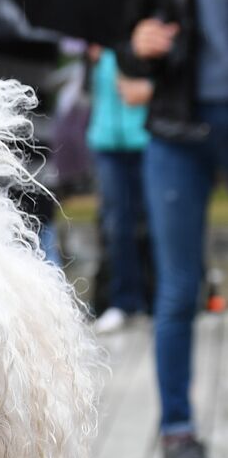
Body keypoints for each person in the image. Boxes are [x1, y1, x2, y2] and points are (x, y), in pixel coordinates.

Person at [118, 0, 225, 458]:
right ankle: (179, 434)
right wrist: (136, 44)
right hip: (178, 133)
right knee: (179, 289)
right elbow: (125, 59)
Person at [87, 47, 152, 334]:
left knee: (155, 223)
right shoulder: (97, 43)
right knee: (116, 226)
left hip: (148, 138)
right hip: (107, 143)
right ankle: (123, 301)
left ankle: (158, 301)